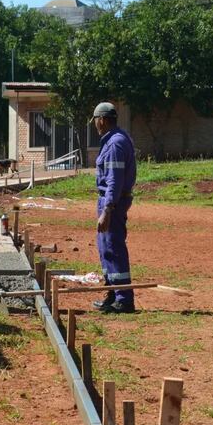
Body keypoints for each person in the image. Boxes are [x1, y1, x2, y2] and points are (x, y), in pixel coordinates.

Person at [89, 102, 138, 314]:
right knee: (105, 248)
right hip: (110, 201)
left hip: (113, 203)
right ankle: (113, 292)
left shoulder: (115, 144)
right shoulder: (115, 139)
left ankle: (124, 299)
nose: (95, 126)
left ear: (102, 120)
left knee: (114, 248)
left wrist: (107, 209)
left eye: (95, 121)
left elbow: (114, 180)